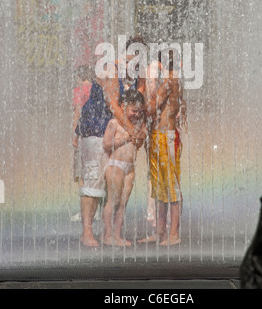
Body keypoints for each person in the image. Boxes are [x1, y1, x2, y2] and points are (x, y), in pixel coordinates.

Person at [73, 36, 147, 248]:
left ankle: (108, 234)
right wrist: (133, 131)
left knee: (113, 187)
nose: (139, 66)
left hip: (112, 133)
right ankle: (87, 232)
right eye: (137, 60)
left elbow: (138, 101)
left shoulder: (129, 77)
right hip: (95, 131)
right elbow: (114, 105)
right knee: (93, 182)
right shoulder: (111, 69)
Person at [141, 48, 184, 246]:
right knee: (159, 186)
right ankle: (160, 232)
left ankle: (173, 234)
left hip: (166, 137)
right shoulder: (172, 79)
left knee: (172, 187)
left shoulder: (169, 81)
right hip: (159, 136)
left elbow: (151, 107)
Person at [102, 90, 146, 247]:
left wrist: (140, 137)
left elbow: (139, 145)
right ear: (123, 106)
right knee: (112, 201)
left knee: (122, 203)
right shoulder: (114, 123)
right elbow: (106, 145)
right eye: (134, 110)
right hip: (116, 165)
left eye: (139, 111)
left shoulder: (137, 125)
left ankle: (117, 235)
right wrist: (125, 138)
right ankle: (107, 235)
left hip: (130, 168)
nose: (136, 114)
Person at [71, 65, 94, 222]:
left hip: (83, 135)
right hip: (97, 136)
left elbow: (77, 113)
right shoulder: (95, 89)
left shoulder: (78, 91)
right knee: (95, 173)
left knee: (82, 174)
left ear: (78, 77)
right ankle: (96, 210)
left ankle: (83, 212)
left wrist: (74, 134)